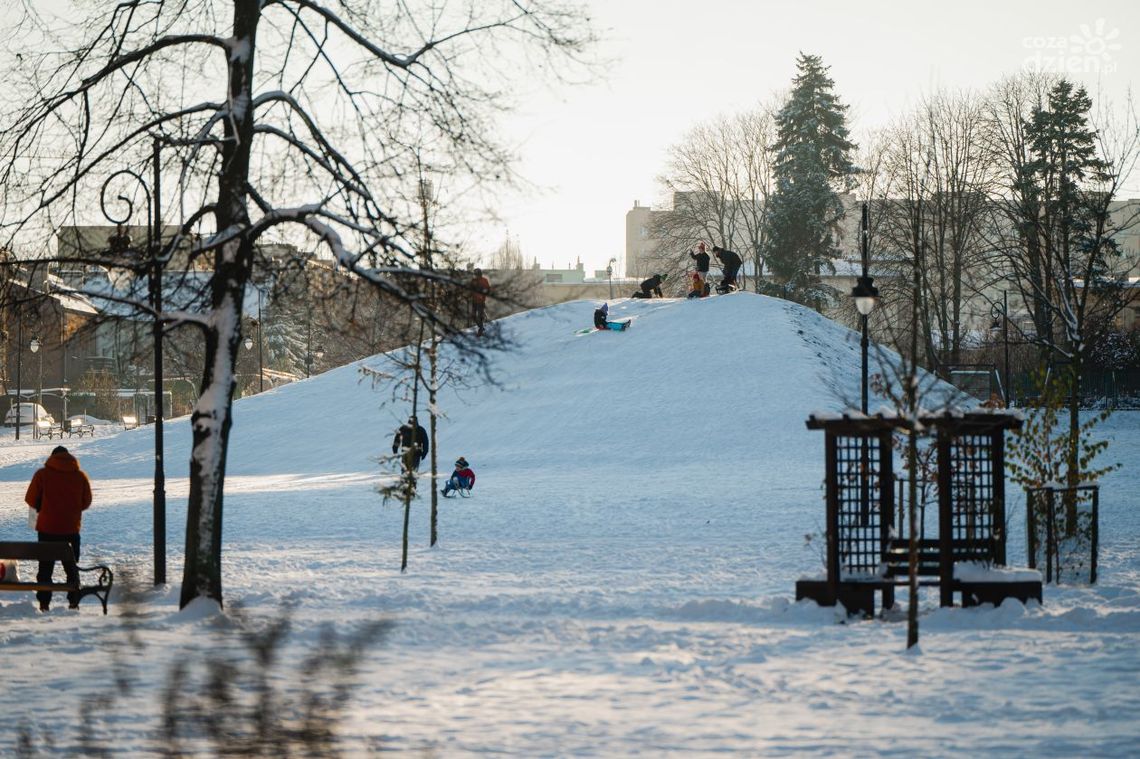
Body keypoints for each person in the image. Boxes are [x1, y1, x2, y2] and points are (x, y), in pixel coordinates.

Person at [24, 445, 92, 611]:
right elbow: (87, 501)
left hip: (47, 529)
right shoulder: (80, 476)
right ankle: (73, 600)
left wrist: (44, 507)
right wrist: (72, 511)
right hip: (71, 529)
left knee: (45, 569)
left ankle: (44, 602)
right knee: (71, 568)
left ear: (52, 458)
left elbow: (30, 499)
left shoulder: (42, 475)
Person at [472, 268, 491, 336]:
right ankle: (481, 326)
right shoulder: (473, 281)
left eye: (476, 274)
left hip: (481, 301)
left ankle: (481, 329)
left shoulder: (484, 280)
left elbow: (488, 290)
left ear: (479, 274)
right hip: (474, 301)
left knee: (479, 316)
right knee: (473, 316)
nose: (475, 276)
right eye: (474, 274)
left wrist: (483, 292)